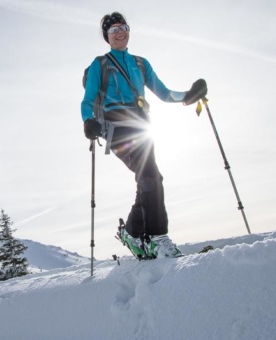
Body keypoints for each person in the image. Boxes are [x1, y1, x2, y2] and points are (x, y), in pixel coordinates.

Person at [81, 12, 207, 259]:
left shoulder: (141, 63)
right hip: (116, 127)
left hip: (142, 126)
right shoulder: (100, 64)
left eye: (123, 27)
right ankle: (157, 238)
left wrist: (188, 96)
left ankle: (132, 231)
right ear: (107, 36)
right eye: (114, 29)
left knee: (148, 176)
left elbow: (163, 92)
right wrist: (88, 121)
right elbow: (87, 100)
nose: (120, 32)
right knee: (150, 174)